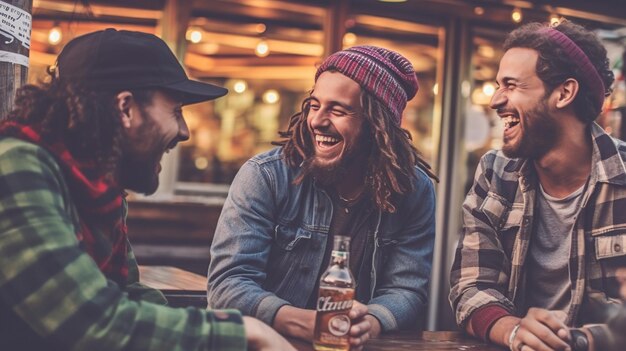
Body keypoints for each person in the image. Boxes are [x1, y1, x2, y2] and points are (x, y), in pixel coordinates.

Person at [0, 28, 294, 351]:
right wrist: (245, 332)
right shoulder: (15, 167)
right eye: (176, 111)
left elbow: (128, 294)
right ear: (125, 107)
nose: (184, 132)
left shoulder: (98, 187)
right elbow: (92, 321)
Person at [207, 46, 437, 348]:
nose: (317, 120)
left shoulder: (413, 189)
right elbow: (227, 285)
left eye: (338, 110)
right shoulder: (266, 176)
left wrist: (371, 322)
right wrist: (305, 322)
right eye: (314, 105)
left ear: (377, 124)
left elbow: (407, 289)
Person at [449, 19, 621, 351]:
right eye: (498, 85)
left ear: (564, 93)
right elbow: (469, 288)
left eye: (511, 85)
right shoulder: (495, 172)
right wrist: (513, 331)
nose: (495, 101)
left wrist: (571, 341)